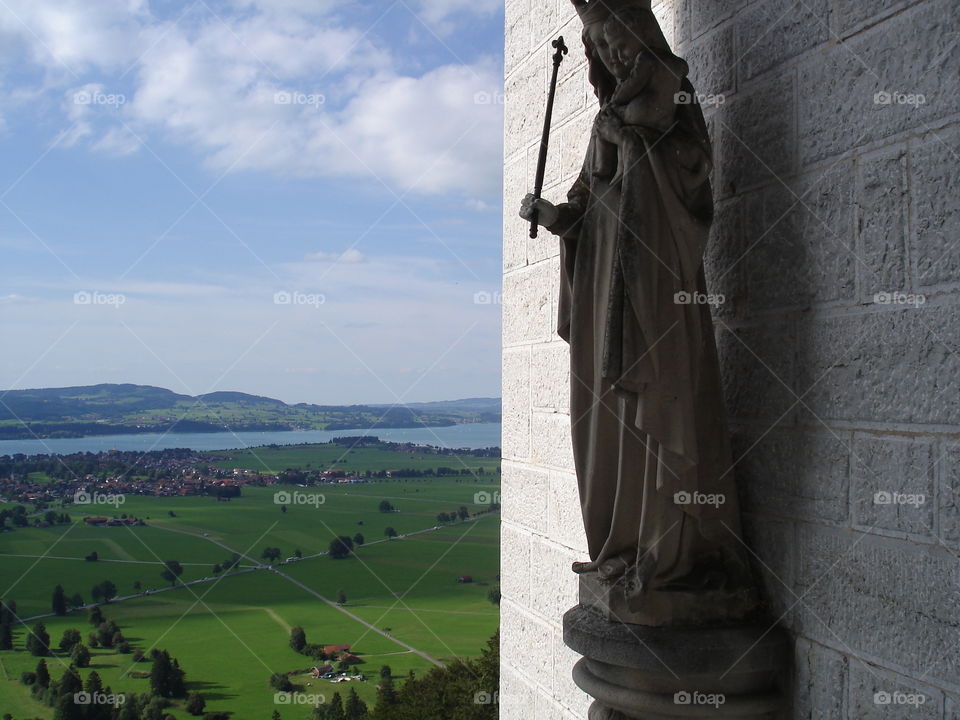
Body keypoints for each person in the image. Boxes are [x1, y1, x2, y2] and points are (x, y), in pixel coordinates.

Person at [519, 0, 756, 624]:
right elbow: (587, 203)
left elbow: (692, 182)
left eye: (615, 38)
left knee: (657, 405)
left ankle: (669, 556)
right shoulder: (609, 113)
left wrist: (630, 145)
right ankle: (621, 546)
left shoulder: (673, 92)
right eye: (599, 45)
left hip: (653, 292)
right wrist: (556, 217)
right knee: (608, 417)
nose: (611, 52)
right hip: (605, 291)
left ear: (639, 31)